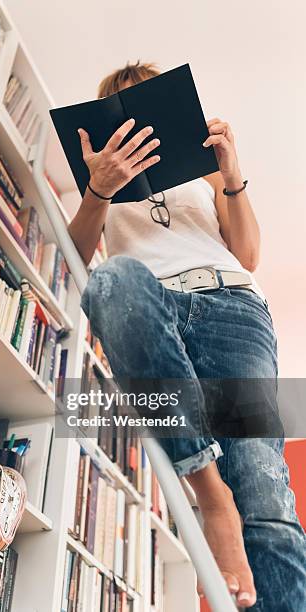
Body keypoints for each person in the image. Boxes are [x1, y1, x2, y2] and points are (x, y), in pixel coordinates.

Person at [68, 62, 306, 610]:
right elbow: (81, 266)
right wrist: (98, 190)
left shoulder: (201, 182)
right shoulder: (97, 187)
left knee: (263, 485)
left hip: (232, 308)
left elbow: (246, 256)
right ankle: (209, 495)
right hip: (150, 304)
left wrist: (230, 176)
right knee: (111, 280)